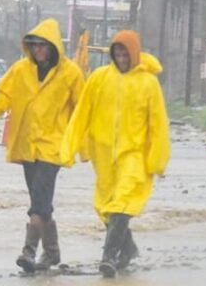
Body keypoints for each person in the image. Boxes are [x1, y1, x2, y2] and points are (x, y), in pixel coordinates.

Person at [0, 18, 84, 273]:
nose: (37, 50)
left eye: (42, 45)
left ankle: (29, 251)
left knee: (39, 199)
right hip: (27, 146)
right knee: (40, 200)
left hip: (53, 147)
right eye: (34, 45)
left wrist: (91, 141)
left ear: (53, 46)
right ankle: (52, 252)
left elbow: (84, 108)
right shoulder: (20, 70)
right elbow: (3, 96)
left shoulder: (71, 73)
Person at [61, 30, 171, 278]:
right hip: (103, 156)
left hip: (133, 155)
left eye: (125, 54)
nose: (121, 58)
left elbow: (158, 124)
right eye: (117, 53)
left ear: (134, 53)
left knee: (123, 200)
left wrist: (158, 160)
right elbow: (81, 115)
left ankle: (108, 257)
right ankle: (128, 248)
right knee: (105, 207)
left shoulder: (148, 83)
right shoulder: (99, 78)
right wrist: (69, 148)